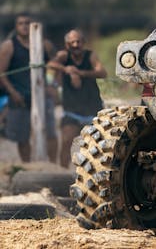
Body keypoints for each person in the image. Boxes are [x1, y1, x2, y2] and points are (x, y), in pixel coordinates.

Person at [0, 14, 58, 162]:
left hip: (43, 94)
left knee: (50, 133)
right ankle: (28, 165)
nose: (25, 26)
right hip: (19, 97)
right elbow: (2, 73)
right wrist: (13, 93)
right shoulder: (9, 46)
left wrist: (53, 85)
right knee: (22, 136)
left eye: (28, 23)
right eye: (21, 23)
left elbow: (57, 65)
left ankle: (53, 165)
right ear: (16, 26)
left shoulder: (45, 44)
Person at [48, 29, 107, 168]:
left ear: (83, 43)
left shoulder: (90, 56)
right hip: (71, 110)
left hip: (92, 109)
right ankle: (62, 172)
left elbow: (102, 72)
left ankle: (96, 173)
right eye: (72, 42)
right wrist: (67, 69)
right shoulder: (63, 56)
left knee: (96, 146)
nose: (75, 45)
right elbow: (51, 64)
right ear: (67, 44)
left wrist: (80, 73)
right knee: (66, 141)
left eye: (78, 41)